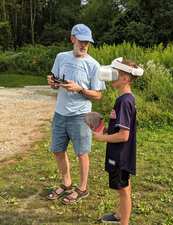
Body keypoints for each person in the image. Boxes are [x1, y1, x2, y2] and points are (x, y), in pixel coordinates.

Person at [46, 24, 106, 204]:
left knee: (82, 153)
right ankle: (66, 183)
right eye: (81, 41)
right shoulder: (61, 57)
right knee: (57, 150)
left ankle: (82, 188)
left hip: (81, 116)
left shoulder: (94, 65)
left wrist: (80, 89)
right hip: (60, 113)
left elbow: (98, 95)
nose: (84, 45)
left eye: (87, 42)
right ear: (73, 39)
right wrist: (53, 82)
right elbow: (54, 79)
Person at [93, 57, 143, 225]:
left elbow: (124, 135)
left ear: (125, 79)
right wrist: (107, 129)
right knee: (124, 186)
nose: (110, 76)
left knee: (123, 189)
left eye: (115, 73)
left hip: (120, 155)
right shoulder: (124, 99)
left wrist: (102, 138)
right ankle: (120, 214)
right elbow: (121, 129)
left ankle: (124, 222)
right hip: (121, 153)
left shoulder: (124, 101)